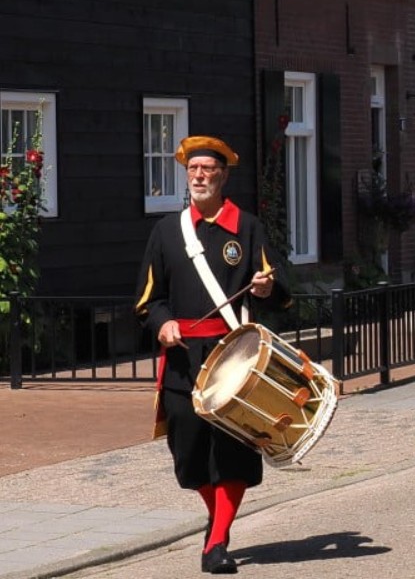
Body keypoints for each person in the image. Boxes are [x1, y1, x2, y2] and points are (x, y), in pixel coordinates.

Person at [134, 136, 290, 574]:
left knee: (234, 451)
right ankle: (215, 517)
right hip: (184, 356)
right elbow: (148, 298)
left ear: (223, 175)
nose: (199, 176)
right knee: (188, 450)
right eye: (193, 169)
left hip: (234, 357)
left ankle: (217, 540)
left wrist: (266, 288)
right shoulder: (166, 231)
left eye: (208, 169)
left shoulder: (248, 227)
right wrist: (162, 322)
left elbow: (280, 294)